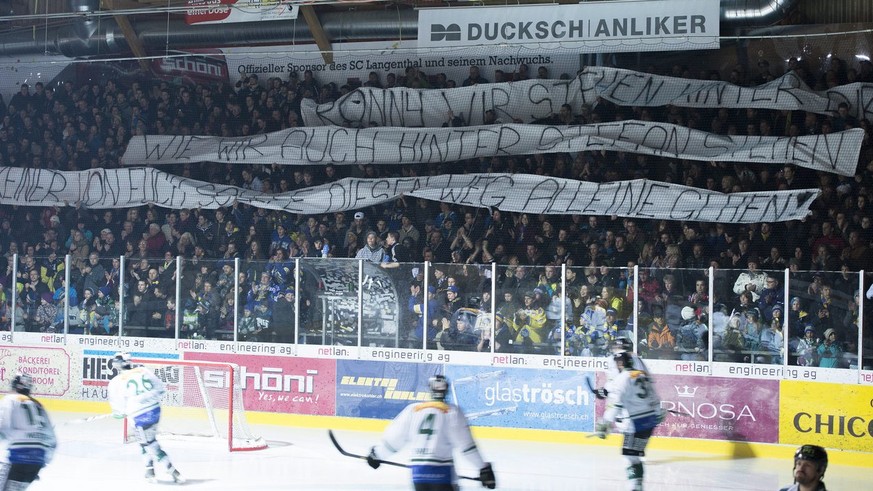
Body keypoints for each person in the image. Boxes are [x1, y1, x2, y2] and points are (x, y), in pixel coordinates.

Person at [367, 375, 496, 491]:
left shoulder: (413, 410)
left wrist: (378, 454)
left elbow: (394, 439)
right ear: (446, 390)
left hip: (418, 476)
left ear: (430, 389)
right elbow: (466, 446)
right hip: (443, 475)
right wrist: (483, 468)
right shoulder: (452, 412)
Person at [107, 352, 185, 484]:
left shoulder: (116, 382)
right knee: (146, 441)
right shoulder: (143, 371)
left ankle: (172, 471)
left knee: (149, 444)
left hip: (139, 417)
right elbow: (160, 389)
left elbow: (119, 410)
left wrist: (120, 413)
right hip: (155, 411)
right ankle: (149, 471)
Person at [595, 351, 664, 491]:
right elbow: (655, 397)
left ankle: (635, 486)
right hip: (649, 422)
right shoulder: (641, 375)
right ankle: (638, 485)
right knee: (636, 454)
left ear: (620, 363)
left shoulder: (621, 379)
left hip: (635, 423)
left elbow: (616, 405)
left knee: (628, 456)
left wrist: (605, 423)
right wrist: (658, 412)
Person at [0, 373, 57, 490]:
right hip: (37, 460)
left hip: (18, 457)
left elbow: (3, 427)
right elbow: (52, 441)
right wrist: (41, 461)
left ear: (14, 386)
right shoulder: (38, 405)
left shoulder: (9, 399)